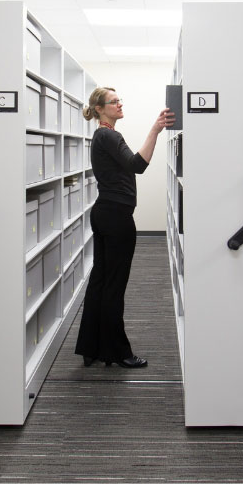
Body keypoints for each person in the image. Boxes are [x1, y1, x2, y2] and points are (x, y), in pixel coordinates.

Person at [75, 87, 174, 368]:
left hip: (105, 213)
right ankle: (118, 352)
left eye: (119, 100)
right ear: (100, 109)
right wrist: (155, 130)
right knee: (114, 286)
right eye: (113, 101)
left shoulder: (101, 136)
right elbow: (136, 165)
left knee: (101, 282)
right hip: (116, 218)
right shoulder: (109, 135)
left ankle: (91, 347)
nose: (120, 104)